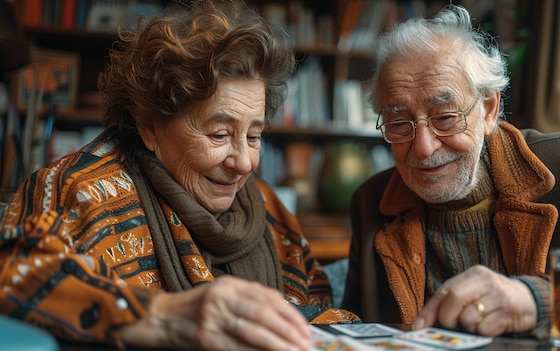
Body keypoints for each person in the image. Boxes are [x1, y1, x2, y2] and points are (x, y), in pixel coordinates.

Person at [0, 1, 358, 350]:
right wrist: (166, 315)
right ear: (150, 127)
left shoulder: (269, 207)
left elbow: (321, 317)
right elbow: (13, 274)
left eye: (254, 136)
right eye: (219, 134)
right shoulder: (80, 190)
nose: (245, 162)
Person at [342, 4, 560, 339]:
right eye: (400, 124)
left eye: (445, 117)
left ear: (489, 109)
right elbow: (354, 326)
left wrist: (539, 302)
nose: (423, 147)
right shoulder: (372, 201)